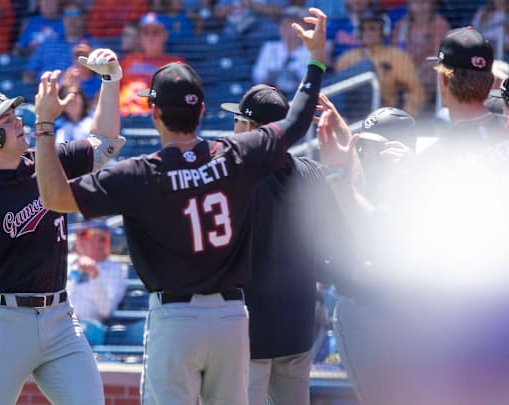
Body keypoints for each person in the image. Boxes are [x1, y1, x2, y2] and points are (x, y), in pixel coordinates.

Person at [33, 8, 327, 404]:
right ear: (202, 110)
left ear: (153, 111)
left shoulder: (140, 173)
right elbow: (296, 121)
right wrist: (315, 60)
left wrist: (45, 125)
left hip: (177, 319)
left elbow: (53, 197)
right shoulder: (235, 154)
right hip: (231, 320)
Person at [0, 48, 126, 405]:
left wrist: (110, 81)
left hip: (61, 317)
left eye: (16, 115)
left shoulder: (45, 161)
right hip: (4, 322)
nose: (20, 123)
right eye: (7, 120)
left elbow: (104, 145)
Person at [324, 26, 509, 405]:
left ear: (443, 81)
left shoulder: (430, 165)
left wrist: (343, 173)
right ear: (490, 81)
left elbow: (377, 236)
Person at [220, 86, 352, 405]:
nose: (234, 128)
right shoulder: (310, 173)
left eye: (239, 120)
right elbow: (332, 248)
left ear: (253, 128)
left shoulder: (237, 174)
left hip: (248, 332)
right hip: (296, 328)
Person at [335, 9, 426, 117]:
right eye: (363, 29)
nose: (367, 33)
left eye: (372, 29)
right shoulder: (347, 58)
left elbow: (416, 90)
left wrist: (405, 117)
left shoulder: (397, 56)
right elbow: (338, 91)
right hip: (350, 116)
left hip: (383, 115)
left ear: (383, 31)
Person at [119, 12, 186, 116]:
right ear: (140, 36)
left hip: (154, 121)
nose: (150, 37)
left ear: (165, 35)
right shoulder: (128, 60)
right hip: (121, 118)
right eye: (146, 32)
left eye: (155, 32)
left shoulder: (176, 64)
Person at [390, 0, 450, 111]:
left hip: (427, 72)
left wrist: (418, 70)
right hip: (405, 70)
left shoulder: (439, 24)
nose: (419, 3)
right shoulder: (401, 25)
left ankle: (409, 117)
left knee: (426, 76)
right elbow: (394, 54)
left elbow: (440, 56)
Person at [22, 2, 101, 85]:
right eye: (67, 14)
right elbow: (29, 72)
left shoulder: (93, 45)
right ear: (63, 18)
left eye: (76, 13)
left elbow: (102, 75)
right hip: (45, 92)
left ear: (84, 18)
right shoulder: (48, 43)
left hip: (75, 93)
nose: (71, 18)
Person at [66, 220, 128, 323]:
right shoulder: (66, 262)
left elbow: (106, 311)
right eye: (77, 234)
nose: (79, 238)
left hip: (91, 327)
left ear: (102, 240)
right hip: (61, 324)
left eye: (85, 233)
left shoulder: (117, 269)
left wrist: (95, 275)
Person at [252, 6, 312, 95]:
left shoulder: (311, 52)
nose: (287, 29)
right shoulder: (270, 47)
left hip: (298, 97)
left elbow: (309, 83)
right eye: (284, 24)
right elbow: (258, 76)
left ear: (305, 28)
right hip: (270, 97)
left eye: (292, 25)